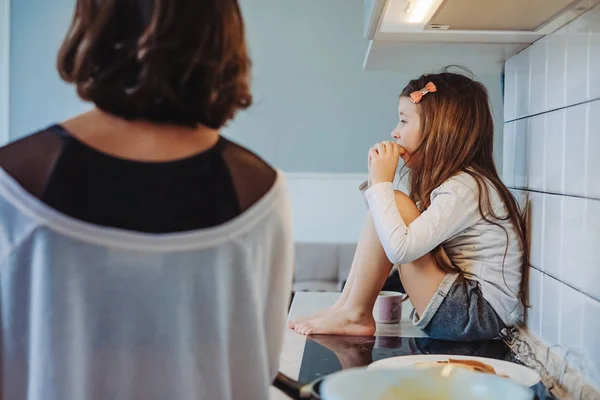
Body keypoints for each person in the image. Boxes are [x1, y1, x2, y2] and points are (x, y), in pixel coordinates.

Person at [0, 1, 294, 399]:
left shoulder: (12, 182)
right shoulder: (261, 192)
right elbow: (259, 365)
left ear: (94, 26)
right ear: (222, 36)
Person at [289, 69, 528, 341]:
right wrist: (377, 183)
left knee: (394, 203)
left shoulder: (464, 188)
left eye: (403, 121)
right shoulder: (461, 184)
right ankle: (346, 308)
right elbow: (384, 229)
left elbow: (400, 250)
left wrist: (381, 184)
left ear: (439, 130)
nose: (395, 132)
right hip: (467, 312)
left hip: (474, 316)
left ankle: (354, 313)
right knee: (390, 205)